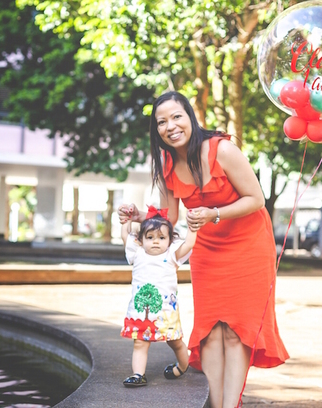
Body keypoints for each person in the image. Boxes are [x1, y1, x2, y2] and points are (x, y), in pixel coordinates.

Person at [118, 92, 287, 408]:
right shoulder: (167, 163)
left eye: (177, 116)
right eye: (162, 122)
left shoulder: (222, 150)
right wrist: (138, 216)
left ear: (190, 118)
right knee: (211, 330)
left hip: (248, 243)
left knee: (236, 330)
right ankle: (215, 402)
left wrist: (215, 213)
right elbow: (166, 219)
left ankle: (230, 404)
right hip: (207, 246)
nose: (171, 126)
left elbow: (256, 198)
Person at [120, 206, 197, 388]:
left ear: (170, 240)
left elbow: (189, 244)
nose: (156, 242)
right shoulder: (137, 253)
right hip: (141, 312)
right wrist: (127, 219)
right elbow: (125, 235)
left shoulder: (171, 255)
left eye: (162, 238)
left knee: (175, 342)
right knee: (140, 343)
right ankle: (138, 374)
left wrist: (192, 229)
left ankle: (183, 366)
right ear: (140, 240)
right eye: (150, 237)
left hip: (166, 312)